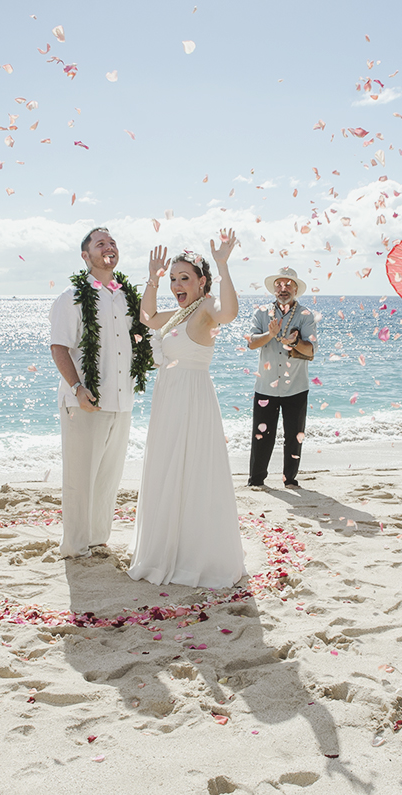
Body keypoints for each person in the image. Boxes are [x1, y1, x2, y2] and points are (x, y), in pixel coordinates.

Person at [128, 230, 246, 588]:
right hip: (168, 398)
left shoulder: (207, 308)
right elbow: (147, 315)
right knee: (167, 467)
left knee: (193, 468)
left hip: (193, 397)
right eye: (174, 279)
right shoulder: (178, 314)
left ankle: (195, 553)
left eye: (185, 278)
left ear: (201, 282)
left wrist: (224, 266)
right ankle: (166, 547)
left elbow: (230, 311)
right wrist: (153, 277)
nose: (177, 284)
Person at [49, 227, 152, 559]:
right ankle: (75, 546)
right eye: (100, 243)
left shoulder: (126, 296)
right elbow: (59, 347)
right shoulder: (71, 297)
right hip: (86, 401)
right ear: (86, 255)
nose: (109, 247)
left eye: (112, 242)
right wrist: (78, 388)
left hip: (121, 400)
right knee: (80, 476)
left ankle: (96, 538)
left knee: (108, 476)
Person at [246, 266, 317, 489]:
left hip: (296, 385)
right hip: (266, 384)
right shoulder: (261, 313)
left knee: (294, 436)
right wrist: (271, 335)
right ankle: (256, 480)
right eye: (279, 285)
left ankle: (290, 480)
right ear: (274, 289)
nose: (283, 288)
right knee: (261, 435)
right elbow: (251, 343)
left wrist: (294, 342)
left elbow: (311, 351)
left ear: (296, 288)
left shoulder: (306, 315)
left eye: (288, 285)